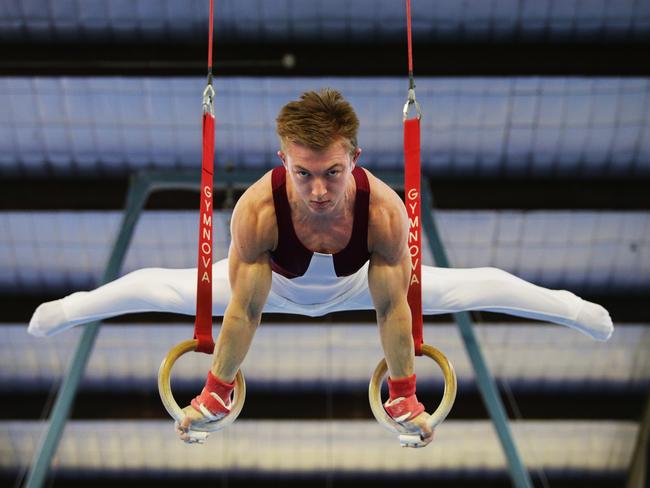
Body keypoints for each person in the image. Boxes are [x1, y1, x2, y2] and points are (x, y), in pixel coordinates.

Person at [28, 88, 613, 447]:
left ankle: (577, 312)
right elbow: (245, 311)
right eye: (302, 173)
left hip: (362, 283)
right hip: (266, 288)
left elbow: (392, 307)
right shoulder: (258, 210)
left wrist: (406, 392)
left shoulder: (383, 212)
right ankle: (60, 313)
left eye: (332, 172)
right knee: (149, 285)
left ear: (354, 157)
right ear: (282, 159)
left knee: (481, 283)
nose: (317, 190)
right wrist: (215, 389)